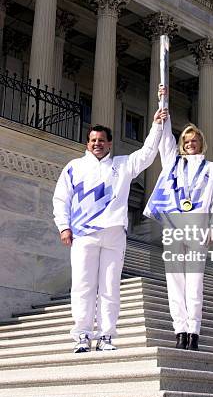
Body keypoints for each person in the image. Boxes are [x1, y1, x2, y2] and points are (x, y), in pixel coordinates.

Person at [53, 107, 168, 353]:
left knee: (110, 286)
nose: (98, 144)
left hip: (114, 233)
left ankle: (106, 336)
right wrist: (64, 226)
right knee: (83, 285)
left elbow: (147, 154)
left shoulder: (122, 165)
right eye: (93, 140)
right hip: (84, 233)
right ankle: (82, 335)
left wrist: (157, 125)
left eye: (102, 141)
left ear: (109, 144)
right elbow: (61, 199)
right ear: (87, 143)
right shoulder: (74, 167)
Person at [144, 88, 213, 351]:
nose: (190, 143)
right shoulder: (173, 164)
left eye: (194, 140)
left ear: (201, 142)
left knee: (195, 284)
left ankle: (194, 331)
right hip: (174, 228)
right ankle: (179, 329)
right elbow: (165, 138)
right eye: (186, 140)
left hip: (198, 229)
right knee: (174, 282)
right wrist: (163, 99)